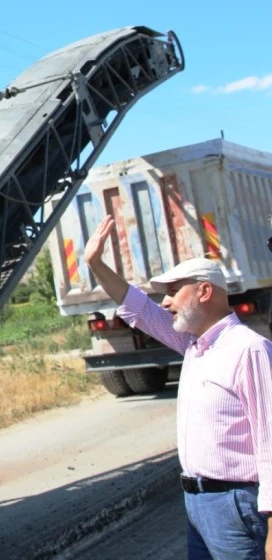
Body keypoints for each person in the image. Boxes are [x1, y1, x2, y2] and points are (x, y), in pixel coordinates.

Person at [85, 215, 272, 560]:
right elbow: (137, 308)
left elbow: (270, 440)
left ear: (204, 291)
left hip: (236, 505)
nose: (166, 302)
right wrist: (95, 263)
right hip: (197, 505)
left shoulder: (249, 349)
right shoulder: (193, 345)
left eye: (173, 292)